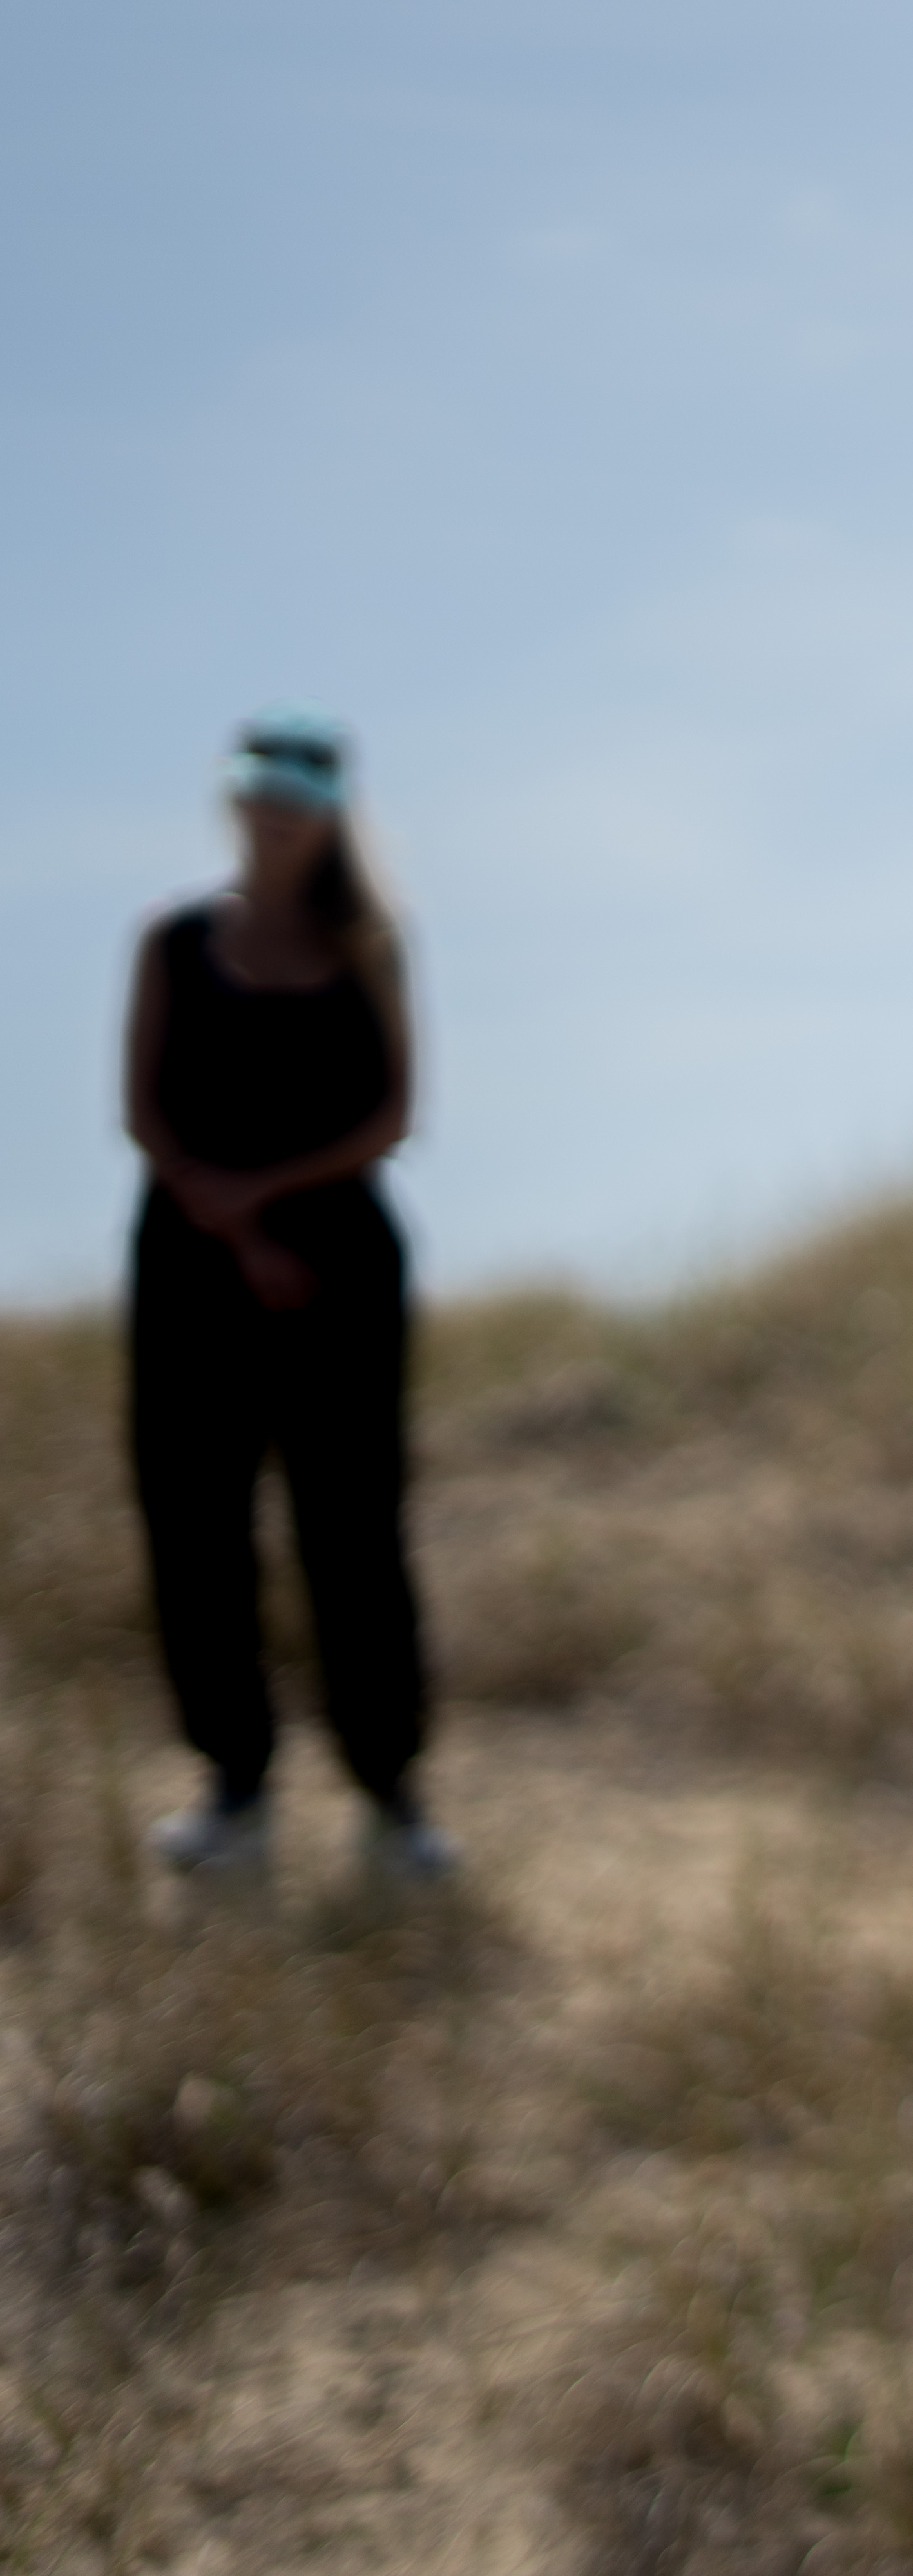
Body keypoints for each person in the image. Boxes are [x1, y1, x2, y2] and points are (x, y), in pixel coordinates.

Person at [125, 710, 455, 1886]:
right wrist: (226, 1216)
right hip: (187, 1253)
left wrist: (268, 1202)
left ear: (333, 805)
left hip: (340, 1263)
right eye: (260, 779)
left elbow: (392, 1116)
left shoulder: (372, 943)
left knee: (352, 1522)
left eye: (303, 782)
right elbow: (145, 1106)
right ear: (232, 795)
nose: (277, 802)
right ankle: (235, 1788)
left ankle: (392, 1795)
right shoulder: (174, 941)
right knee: (195, 1518)